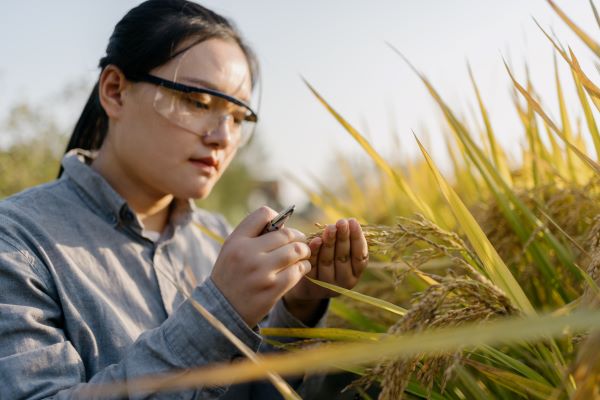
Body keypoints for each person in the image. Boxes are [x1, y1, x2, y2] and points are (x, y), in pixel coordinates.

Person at [0, 0, 369, 398]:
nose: (224, 137)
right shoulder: (17, 243)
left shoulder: (218, 239)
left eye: (237, 117)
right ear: (115, 91)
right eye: (198, 102)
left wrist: (299, 310)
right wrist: (220, 311)